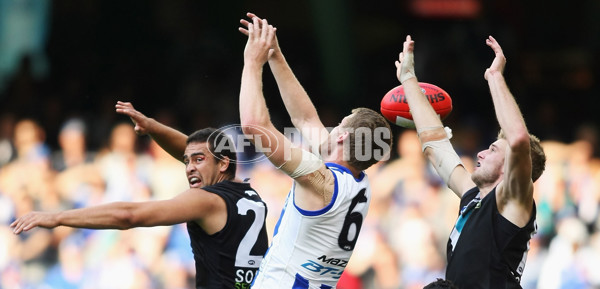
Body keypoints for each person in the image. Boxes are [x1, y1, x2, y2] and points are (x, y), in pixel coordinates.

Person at [10, 101, 270, 289]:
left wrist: (58, 217)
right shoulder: (248, 193)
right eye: (187, 161)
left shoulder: (205, 200)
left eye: (198, 160)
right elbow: (197, 151)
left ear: (222, 164)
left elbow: (128, 215)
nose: (189, 166)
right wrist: (154, 128)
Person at [238, 13, 393, 288]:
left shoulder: (321, 180)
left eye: (339, 123)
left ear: (342, 136)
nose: (330, 127)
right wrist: (276, 55)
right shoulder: (360, 183)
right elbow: (306, 119)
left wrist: (252, 63)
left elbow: (253, 127)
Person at [395, 35, 546, 289]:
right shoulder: (474, 198)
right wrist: (409, 78)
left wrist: (495, 77)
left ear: (512, 166)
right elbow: (435, 145)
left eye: (493, 149)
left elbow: (518, 139)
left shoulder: (513, 201)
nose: (480, 153)